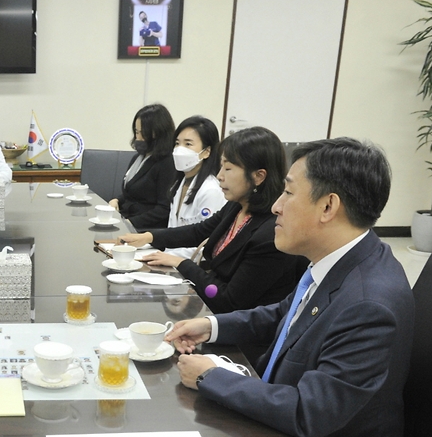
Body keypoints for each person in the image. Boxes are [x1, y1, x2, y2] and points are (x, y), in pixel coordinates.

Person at [153, 138, 415, 437]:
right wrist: (210, 327)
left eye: (289, 192)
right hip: (301, 426)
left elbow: (308, 413)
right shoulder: (342, 261)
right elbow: (282, 315)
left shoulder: (369, 302)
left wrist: (214, 376)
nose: (275, 205)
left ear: (328, 206)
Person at [119, 126, 306, 315]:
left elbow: (229, 300)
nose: (219, 176)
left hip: (239, 329)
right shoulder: (238, 205)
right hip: (213, 308)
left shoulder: (270, 233)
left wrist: (181, 264)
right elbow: (199, 231)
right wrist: (149, 237)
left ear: (258, 176)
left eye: (228, 168)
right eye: (221, 166)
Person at [162, 116, 227, 259]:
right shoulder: (180, 183)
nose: (179, 150)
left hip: (191, 266)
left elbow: (206, 246)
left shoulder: (211, 190)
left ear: (206, 152)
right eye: (177, 143)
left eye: (188, 144)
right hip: (171, 259)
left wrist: (169, 256)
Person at [109, 104, 179, 229]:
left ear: (159, 133)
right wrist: (117, 200)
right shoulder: (138, 158)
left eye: (143, 133)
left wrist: (130, 223)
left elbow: (164, 209)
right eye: (136, 132)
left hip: (147, 228)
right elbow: (131, 193)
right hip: (127, 218)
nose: (138, 138)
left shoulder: (168, 162)